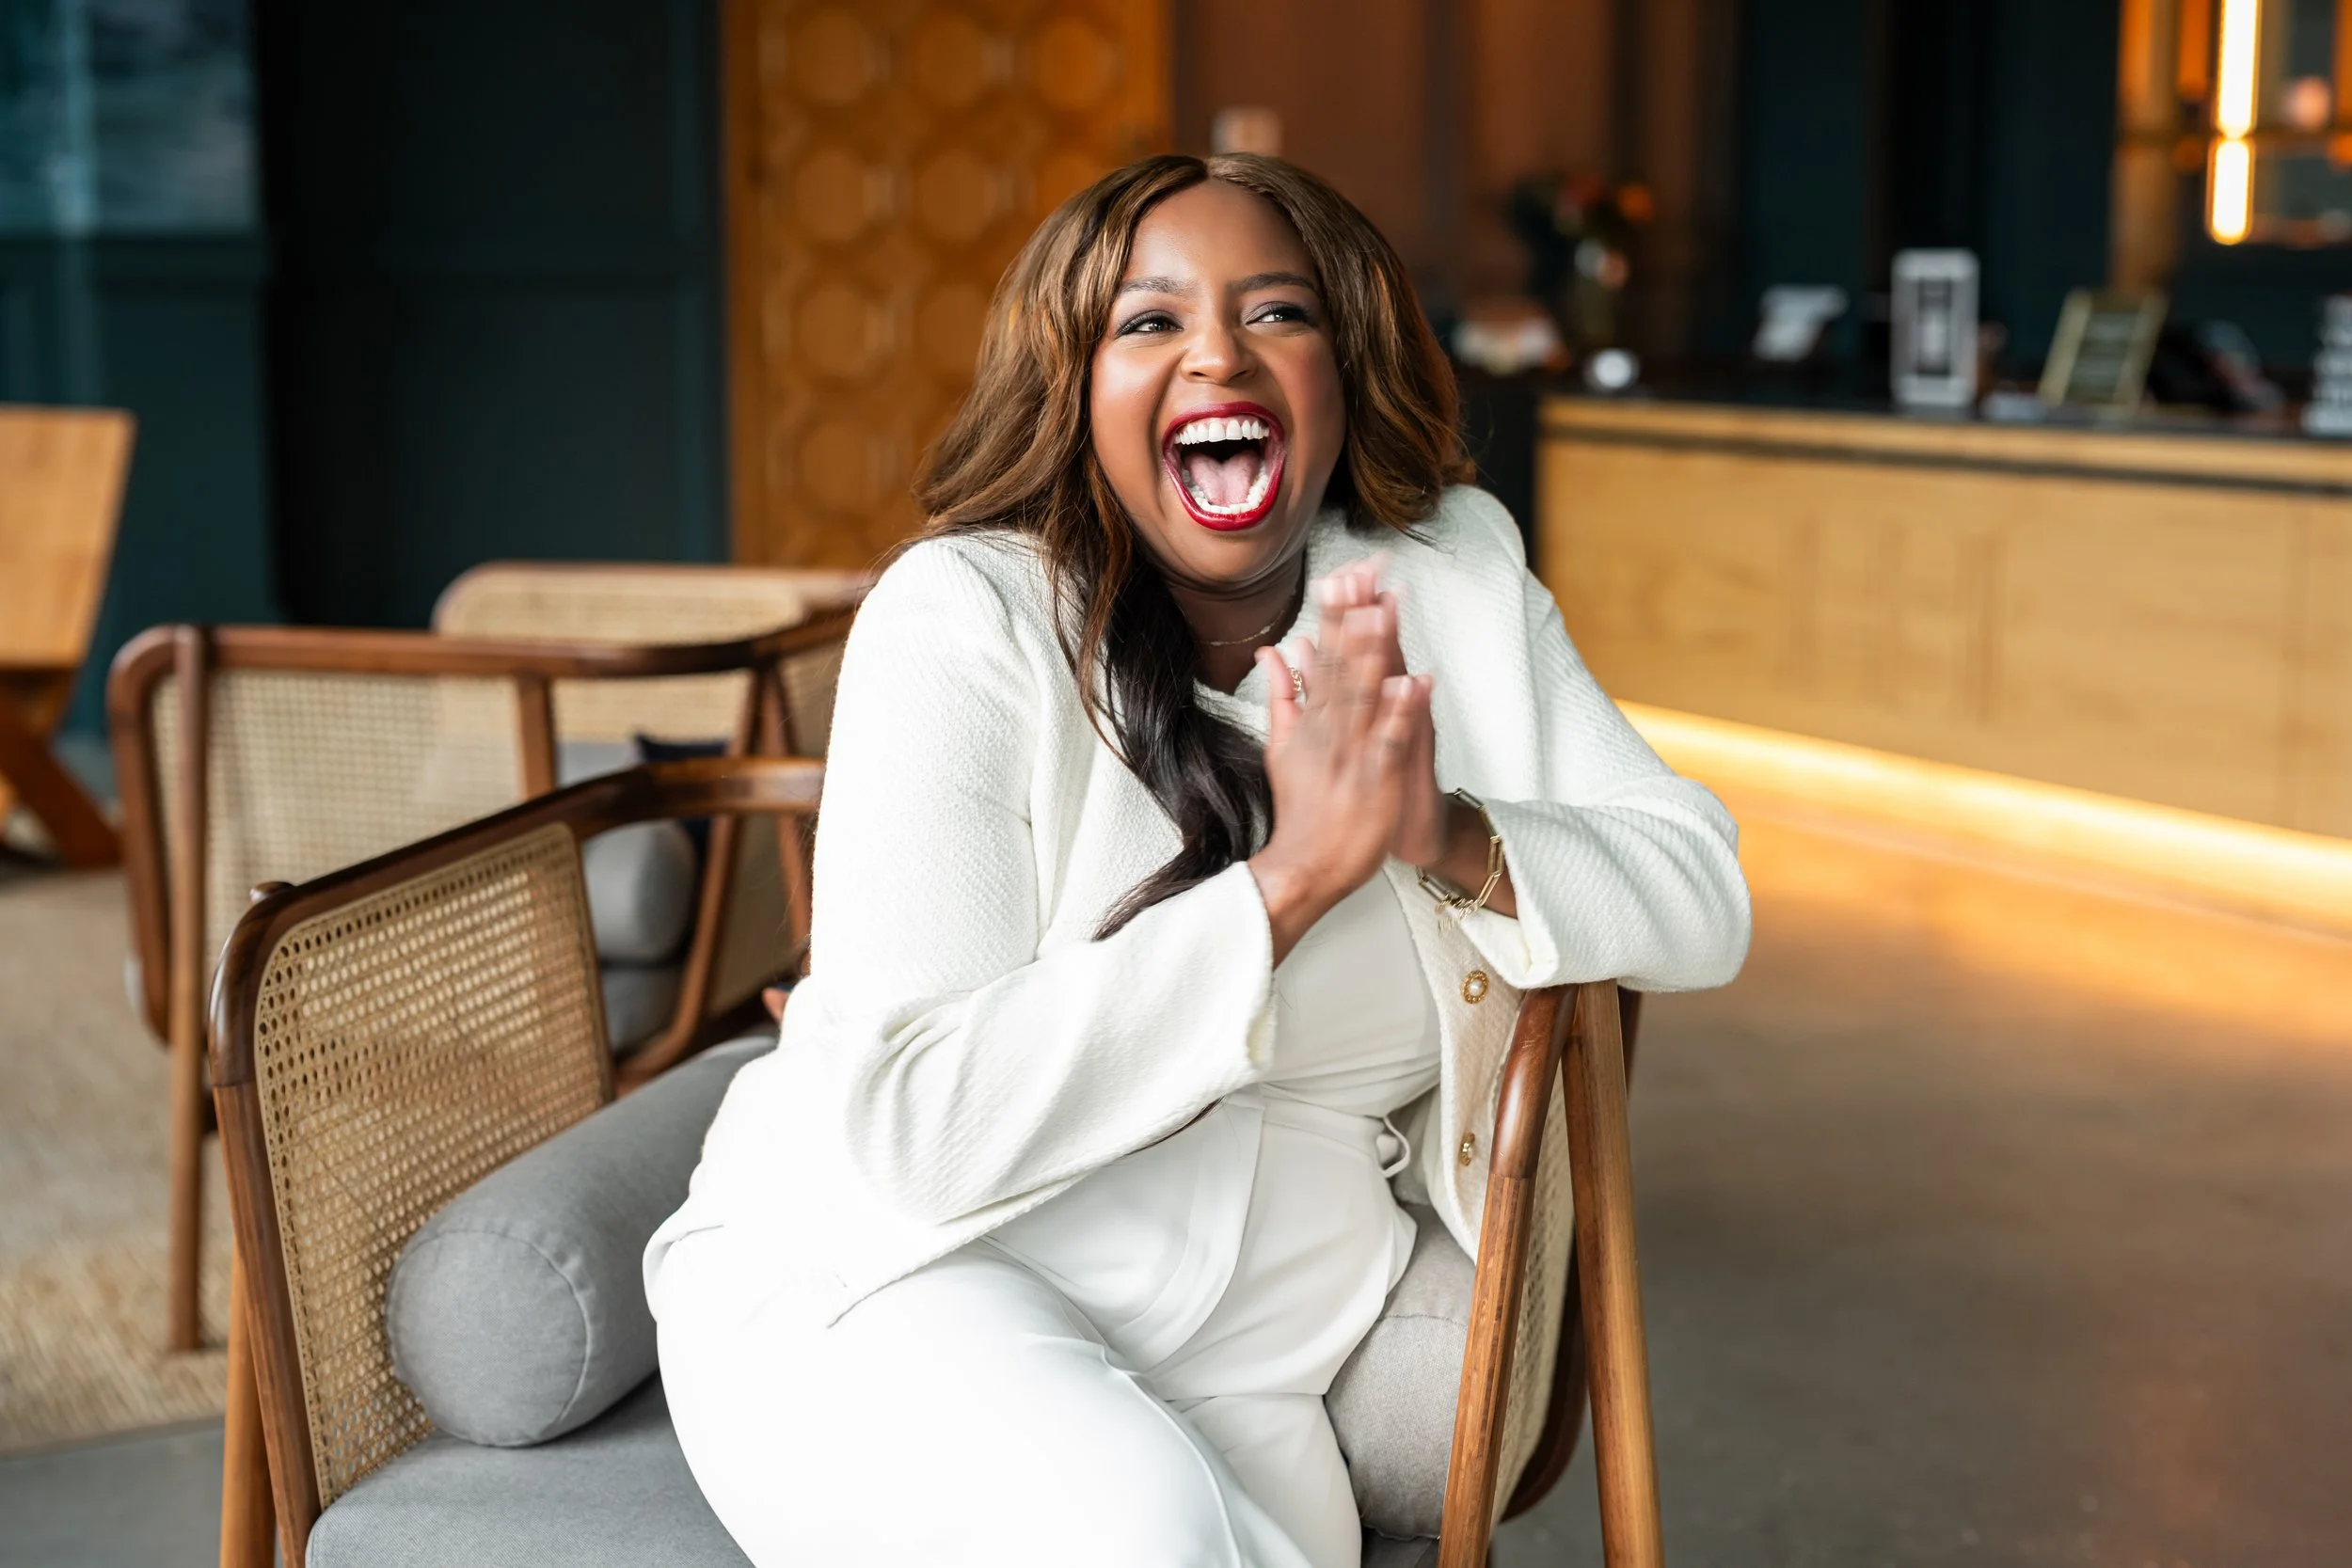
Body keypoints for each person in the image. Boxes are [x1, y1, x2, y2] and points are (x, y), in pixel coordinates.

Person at [645, 153, 1750, 1568]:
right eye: (1148, 322)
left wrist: (1445, 828)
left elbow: (1703, 890)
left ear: (1344, 368)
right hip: (908, 1274)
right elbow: (916, 1137)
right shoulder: (965, 619)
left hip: (1257, 1342)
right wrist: (1292, 883)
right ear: (1076, 389)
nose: (1218, 351)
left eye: (1277, 312)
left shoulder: (1456, 582)